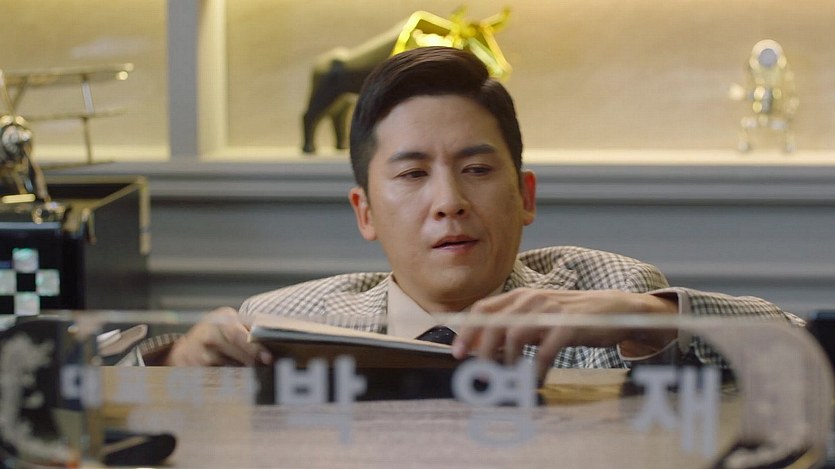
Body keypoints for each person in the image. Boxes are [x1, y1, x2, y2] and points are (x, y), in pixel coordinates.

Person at [133, 47, 801, 373]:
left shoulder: (615, 290)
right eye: (412, 175)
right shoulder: (284, 324)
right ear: (365, 212)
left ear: (525, 196)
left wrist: (652, 320)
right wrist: (175, 373)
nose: (449, 202)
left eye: (477, 170)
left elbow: (803, 352)